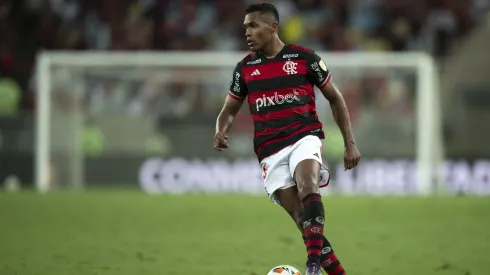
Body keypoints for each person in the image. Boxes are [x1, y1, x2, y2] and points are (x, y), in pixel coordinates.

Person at [213, 3, 361, 275]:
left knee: (308, 184)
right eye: (245, 26)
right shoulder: (244, 68)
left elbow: (335, 99)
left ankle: (312, 267)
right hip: (270, 151)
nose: (247, 32)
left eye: (253, 25)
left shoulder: (305, 58)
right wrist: (221, 129)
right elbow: (228, 110)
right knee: (302, 219)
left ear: (273, 27)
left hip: (304, 137)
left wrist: (350, 143)